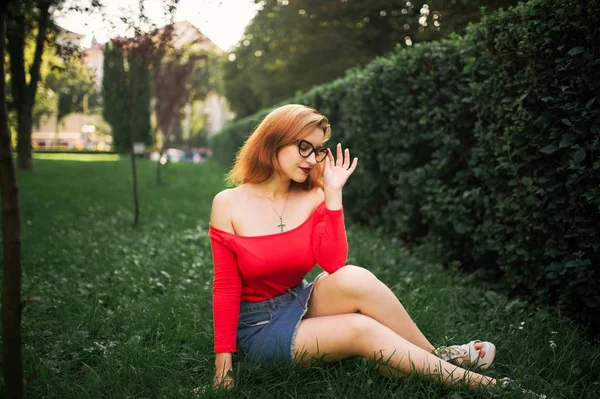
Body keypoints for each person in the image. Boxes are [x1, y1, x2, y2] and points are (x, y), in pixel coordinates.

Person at [207, 104, 536, 395]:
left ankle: (432, 356)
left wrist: (333, 196)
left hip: (299, 298)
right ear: (273, 141)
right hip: (258, 328)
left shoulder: (315, 195)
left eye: (318, 150)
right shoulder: (229, 204)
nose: (311, 159)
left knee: (355, 277)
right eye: (303, 147)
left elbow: (333, 263)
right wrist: (223, 371)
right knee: (360, 329)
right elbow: (225, 286)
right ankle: (493, 388)